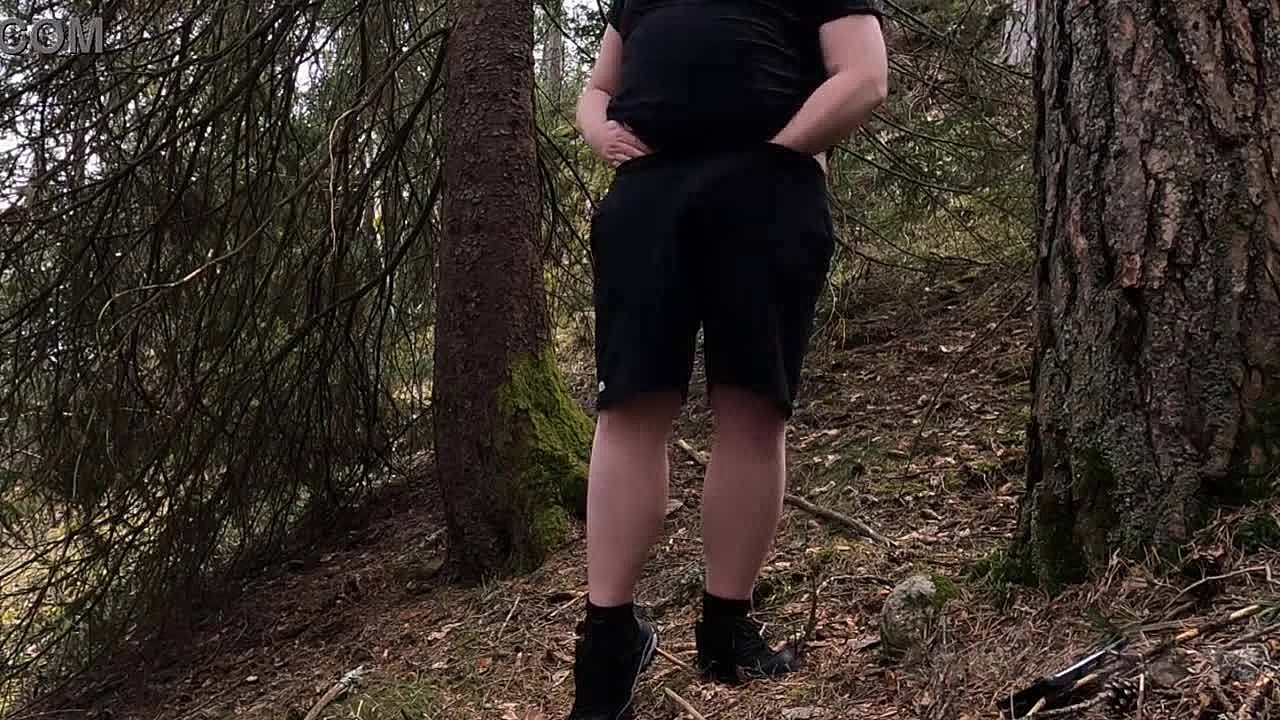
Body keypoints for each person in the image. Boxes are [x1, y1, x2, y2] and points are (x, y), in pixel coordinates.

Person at [570, 1, 888, 717]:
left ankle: (727, 630)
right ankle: (608, 642)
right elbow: (597, 88)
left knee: (751, 404)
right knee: (628, 403)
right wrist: (599, 130)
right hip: (647, 198)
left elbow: (865, 76)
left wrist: (778, 153)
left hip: (768, 193)